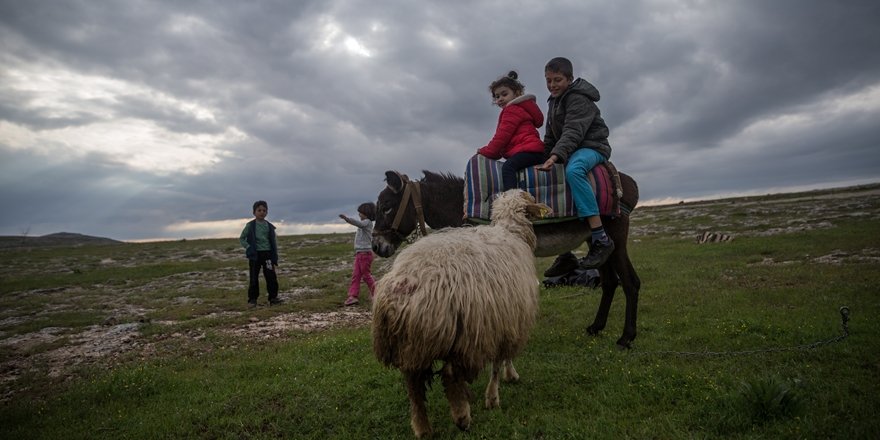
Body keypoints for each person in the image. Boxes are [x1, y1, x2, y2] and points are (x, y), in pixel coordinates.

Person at [536, 57, 615, 269]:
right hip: (571, 149)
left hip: (592, 146)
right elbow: (551, 136)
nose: (552, 85)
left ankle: (600, 238)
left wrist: (555, 156)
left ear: (569, 79)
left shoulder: (578, 98)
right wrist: (542, 157)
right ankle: (565, 253)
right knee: (547, 175)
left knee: (574, 171)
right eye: (548, 80)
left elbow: (573, 131)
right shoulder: (554, 102)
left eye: (557, 80)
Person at [477, 71, 546, 191]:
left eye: (504, 94)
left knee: (508, 168)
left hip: (528, 150)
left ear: (517, 93)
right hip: (534, 151)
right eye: (497, 96)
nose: (500, 99)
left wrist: (486, 151)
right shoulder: (519, 109)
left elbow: (502, 137)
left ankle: (511, 198)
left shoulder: (512, 110)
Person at [239, 200, 281, 307]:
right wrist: (248, 247)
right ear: (254, 212)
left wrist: (274, 255)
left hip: (267, 255)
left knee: (271, 277)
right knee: (254, 277)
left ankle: (273, 298)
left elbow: (273, 241)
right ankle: (252, 300)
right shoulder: (250, 226)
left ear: (267, 212)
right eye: (259, 210)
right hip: (255, 255)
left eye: (264, 210)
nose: (262, 212)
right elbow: (242, 238)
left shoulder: (269, 226)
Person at [339, 202, 377, 306]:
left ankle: (377, 293)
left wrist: (347, 219)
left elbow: (358, 223)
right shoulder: (364, 223)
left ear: (366, 213)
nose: (359, 214)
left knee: (366, 275)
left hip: (365, 254)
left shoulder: (367, 223)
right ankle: (353, 296)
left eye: (360, 212)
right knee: (356, 275)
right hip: (360, 254)